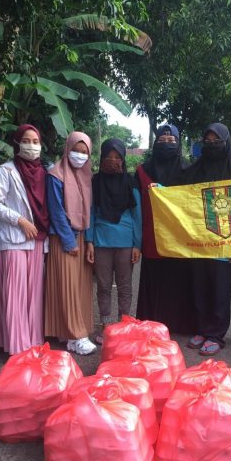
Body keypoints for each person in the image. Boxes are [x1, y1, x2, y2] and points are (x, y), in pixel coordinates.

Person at [0, 124, 49, 355]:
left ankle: (32, 341)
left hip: (39, 239)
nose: (32, 146)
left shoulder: (44, 172)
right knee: (16, 294)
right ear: (17, 143)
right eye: (27, 141)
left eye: (36, 141)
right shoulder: (6, 170)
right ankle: (16, 346)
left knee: (33, 295)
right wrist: (20, 220)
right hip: (15, 239)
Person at [183, 122, 231, 356]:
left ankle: (216, 335)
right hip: (198, 242)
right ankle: (201, 329)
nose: (211, 146)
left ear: (226, 143)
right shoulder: (192, 172)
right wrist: (159, 191)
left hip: (224, 243)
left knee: (220, 291)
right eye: (207, 142)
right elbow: (178, 199)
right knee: (199, 289)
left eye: (216, 141)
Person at [135, 124, 196, 334]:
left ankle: (178, 325)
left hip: (179, 238)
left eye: (172, 141)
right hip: (152, 235)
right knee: (154, 278)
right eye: (162, 140)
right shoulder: (143, 171)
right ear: (155, 142)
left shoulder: (188, 170)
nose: (167, 144)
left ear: (179, 143)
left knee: (177, 280)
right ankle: (150, 323)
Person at [44, 131, 96, 356]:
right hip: (64, 237)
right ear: (67, 149)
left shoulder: (86, 176)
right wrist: (68, 241)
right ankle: (76, 335)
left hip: (81, 237)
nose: (80, 156)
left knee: (80, 288)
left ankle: (71, 335)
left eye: (84, 152)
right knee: (68, 287)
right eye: (76, 150)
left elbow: (89, 211)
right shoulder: (55, 174)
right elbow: (56, 210)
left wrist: (89, 242)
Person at [85, 138, 142, 343]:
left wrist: (137, 244)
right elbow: (90, 212)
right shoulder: (95, 182)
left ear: (123, 159)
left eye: (117, 157)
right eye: (108, 156)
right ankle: (106, 326)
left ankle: (124, 325)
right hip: (101, 241)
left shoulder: (130, 182)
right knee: (103, 286)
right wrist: (89, 240)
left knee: (125, 286)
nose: (112, 160)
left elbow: (138, 216)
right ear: (101, 157)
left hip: (126, 243)